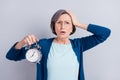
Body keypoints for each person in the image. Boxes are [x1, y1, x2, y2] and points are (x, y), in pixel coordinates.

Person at [6, 9, 111, 80]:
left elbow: (104, 33)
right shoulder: (43, 45)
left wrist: (78, 23)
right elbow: (11, 56)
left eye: (67, 23)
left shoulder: (79, 45)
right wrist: (23, 41)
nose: (62, 27)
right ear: (54, 26)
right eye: (59, 22)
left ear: (72, 28)